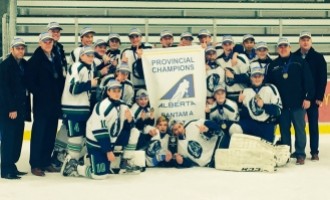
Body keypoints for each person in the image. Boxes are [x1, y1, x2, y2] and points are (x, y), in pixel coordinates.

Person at [61, 80, 143, 179]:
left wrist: (130, 121)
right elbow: (99, 131)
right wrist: (108, 151)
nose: (117, 93)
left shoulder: (123, 106)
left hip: (111, 140)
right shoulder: (102, 106)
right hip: (97, 142)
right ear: (108, 92)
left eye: (119, 91)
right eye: (114, 91)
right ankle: (75, 167)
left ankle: (126, 162)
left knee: (135, 131)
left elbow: (131, 125)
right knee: (99, 175)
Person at [266, 37, 315, 165]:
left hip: (298, 103)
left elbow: (309, 81)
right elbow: (269, 86)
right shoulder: (273, 65)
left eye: (285, 46)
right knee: (284, 130)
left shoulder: (300, 62)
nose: (283, 48)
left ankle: (300, 154)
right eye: (280, 47)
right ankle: (286, 153)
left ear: (290, 47)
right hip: (281, 105)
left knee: (300, 129)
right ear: (278, 49)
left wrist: (308, 98)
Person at [26, 32, 65, 176]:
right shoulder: (35, 59)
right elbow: (29, 82)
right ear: (40, 43)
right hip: (42, 103)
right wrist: (40, 93)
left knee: (50, 133)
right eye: (45, 41)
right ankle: (35, 164)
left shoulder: (55, 57)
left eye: (50, 41)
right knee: (39, 133)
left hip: (54, 103)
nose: (48, 43)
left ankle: (45, 162)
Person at [61, 46, 99, 168]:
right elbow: (73, 88)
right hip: (73, 109)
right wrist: (90, 84)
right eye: (88, 55)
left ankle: (74, 162)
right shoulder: (77, 66)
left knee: (81, 137)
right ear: (81, 56)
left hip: (81, 109)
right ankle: (70, 164)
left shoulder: (88, 69)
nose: (91, 58)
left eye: (92, 55)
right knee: (76, 138)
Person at [293, 31, 327, 161]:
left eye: (308, 39)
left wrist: (319, 97)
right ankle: (299, 150)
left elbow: (322, 79)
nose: (305, 42)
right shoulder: (294, 56)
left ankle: (314, 151)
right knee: (298, 125)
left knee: (313, 125)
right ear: (299, 42)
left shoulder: (318, 57)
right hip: (297, 98)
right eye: (303, 39)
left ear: (311, 41)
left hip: (313, 99)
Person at [0, 38, 30, 179]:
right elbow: (4, 89)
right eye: (17, 48)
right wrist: (11, 108)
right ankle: (6, 169)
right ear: (12, 49)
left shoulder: (24, 64)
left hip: (21, 109)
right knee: (9, 139)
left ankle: (12, 165)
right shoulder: (5, 66)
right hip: (9, 110)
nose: (20, 50)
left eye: (22, 48)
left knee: (17, 138)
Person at [238, 66, 282, 143]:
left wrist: (264, 106)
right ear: (251, 78)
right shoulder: (246, 91)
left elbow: (278, 111)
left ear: (263, 77)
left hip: (267, 125)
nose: (257, 79)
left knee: (265, 151)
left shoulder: (271, 88)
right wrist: (240, 103)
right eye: (255, 76)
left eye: (259, 76)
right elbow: (243, 116)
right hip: (253, 125)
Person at [216, 35, 249, 102]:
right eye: (225, 44)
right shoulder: (218, 60)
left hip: (241, 93)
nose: (228, 47)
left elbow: (248, 78)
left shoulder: (241, 57)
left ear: (233, 45)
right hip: (226, 95)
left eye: (230, 44)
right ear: (222, 46)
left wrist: (234, 76)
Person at [207, 84, 241, 148]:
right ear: (214, 96)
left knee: (236, 128)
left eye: (222, 93)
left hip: (230, 126)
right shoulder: (211, 108)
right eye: (218, 94)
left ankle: (237, 146)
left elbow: (235, 122)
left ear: (225, 94)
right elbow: (211, 122)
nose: (220, 96)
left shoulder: (232, 105)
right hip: (220, 129)